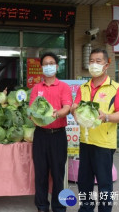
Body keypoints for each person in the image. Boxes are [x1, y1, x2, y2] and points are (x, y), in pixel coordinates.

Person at [71, 48, 119, 212]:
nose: (94, 64)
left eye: (98, 61)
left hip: (104, 144)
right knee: (84, 183)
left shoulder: (115, 88)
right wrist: (75, 111)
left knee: (104, 184)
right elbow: (75, 106)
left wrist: (107, 117)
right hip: (85, 141)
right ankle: (86, 209)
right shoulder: (83, 88)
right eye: (91, 61)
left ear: (106, 64)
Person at [29, 52, 72, 212]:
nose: (48, 66)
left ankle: (59, 207)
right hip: (40, 135)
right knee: (40, 174)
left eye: (51, 63)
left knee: (58, 174)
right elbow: (32, 110)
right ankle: (42, 207)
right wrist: (33, 115)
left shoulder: (64, 87)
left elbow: (67, 107)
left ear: (57, 66)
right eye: (45, 64)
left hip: (58, 136)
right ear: (41, 67)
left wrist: (57, 113)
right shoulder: (36, 88)